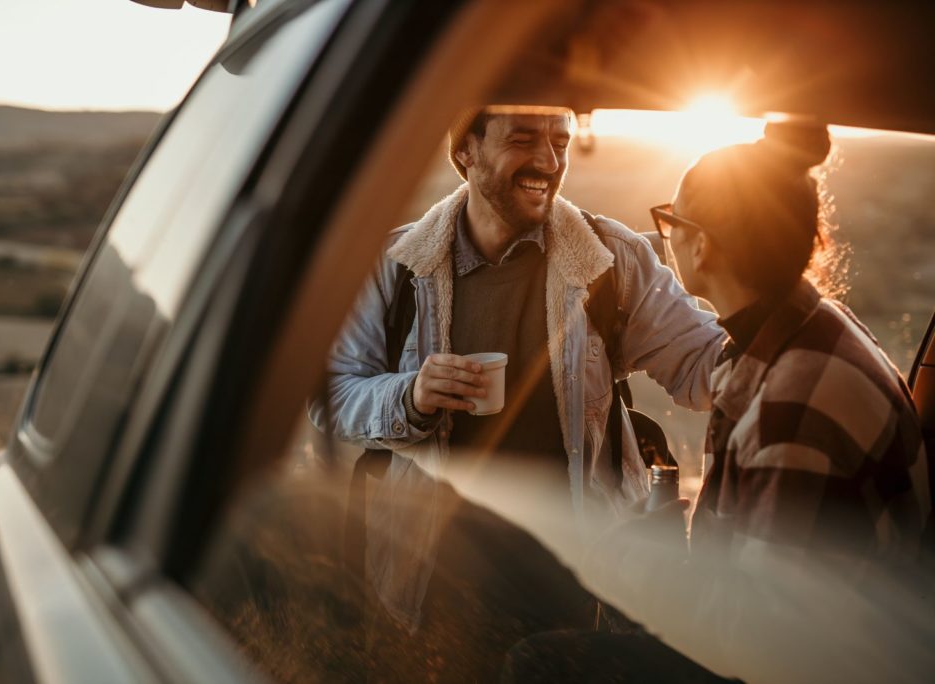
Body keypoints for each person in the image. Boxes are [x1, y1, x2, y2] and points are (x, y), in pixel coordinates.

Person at [308, 105, 724, 671]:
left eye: (560, 141)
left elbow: (707, 366)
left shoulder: (611, 258)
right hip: (429, 585)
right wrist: (410, 397)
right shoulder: (399, 267)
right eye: (523, 139)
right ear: (465, 152)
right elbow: (329, 397)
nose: (548, 161)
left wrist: (800, 344)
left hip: (579, 588)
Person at [581, 122, 934, 682]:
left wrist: (636, 564)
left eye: (670, 221)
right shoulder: (808, 327)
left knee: (542, 661)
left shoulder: (795, 409)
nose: (664, 237)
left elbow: (762, 640)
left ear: (702, 243)